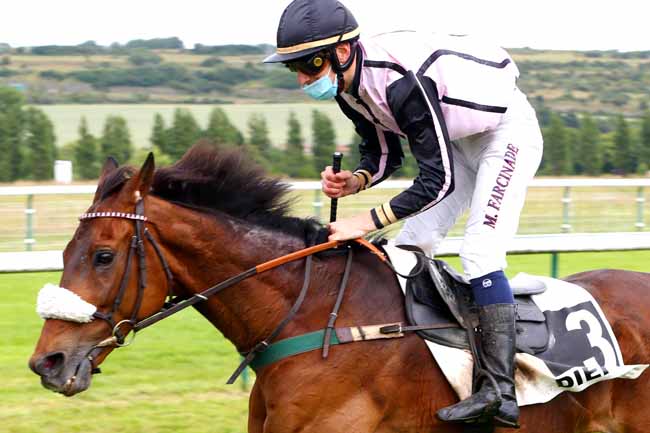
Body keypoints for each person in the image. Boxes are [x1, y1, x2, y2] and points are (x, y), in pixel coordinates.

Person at [265, 0, 543, 428]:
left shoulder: (398, 82)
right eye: (294, 68)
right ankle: (422, 360)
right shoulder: (348, 87)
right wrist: (357, 180)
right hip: (459, 142)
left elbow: (437, 181)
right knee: (411, 248)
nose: (303, 78)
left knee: (479, 253)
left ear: (342, 52)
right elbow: (383, 153)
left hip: (505, 137)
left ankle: (499, 391)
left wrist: (364, 221)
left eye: (309, 64)